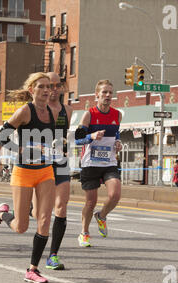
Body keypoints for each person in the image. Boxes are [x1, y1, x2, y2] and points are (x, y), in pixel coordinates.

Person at [0, 72, 56, 283]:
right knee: (21, 226)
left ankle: (32, 269)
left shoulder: (52, 113)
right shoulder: (25, 111)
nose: (46, 90)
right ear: (31, 90)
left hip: (45, 170)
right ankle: (1, 215)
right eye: (41, 86)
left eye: (48, 86)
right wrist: (21, 148)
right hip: (24, 171)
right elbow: (2, 137)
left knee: (44, 220)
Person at [32, 72, 73, 271]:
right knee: (37, 213)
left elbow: (65, 136)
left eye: (58, 85)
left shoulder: (68, 110)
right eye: (50, 85)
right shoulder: (38, 109)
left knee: (61, 206)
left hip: (60, 160)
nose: (54, 89)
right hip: (39, 161)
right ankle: (7, 213)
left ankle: (53, 255)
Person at [75, 79, 122, 247]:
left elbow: (115, 134)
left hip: (109, 161)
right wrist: (92, 136)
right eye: (104, 92)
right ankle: (84, 232)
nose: (108, 95)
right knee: (90, 202)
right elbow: (78, 139)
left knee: (115, 194)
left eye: (110, 92)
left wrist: (118, 142)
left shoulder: (117, 114)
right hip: (90, 163)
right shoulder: (89, 114)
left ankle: (101, 216)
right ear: (97, 95)